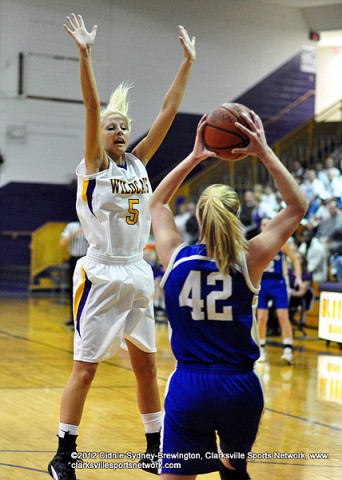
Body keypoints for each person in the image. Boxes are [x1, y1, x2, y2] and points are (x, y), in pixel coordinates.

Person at [48, 13, 196, 480]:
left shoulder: (137, 162)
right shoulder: (94, 164)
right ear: (99, 133)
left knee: (147, 367)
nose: (118, 131)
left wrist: (188, 63)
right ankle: (63, 455)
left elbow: (169, 114)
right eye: (111, 126)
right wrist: (85, 54)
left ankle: (154, 447)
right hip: (100, 274)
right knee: (86, 370)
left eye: (122, 127)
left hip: (137, 272)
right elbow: (92, 105)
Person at [149, 112, 307, 479]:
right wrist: (265, 152)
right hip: (238, 386)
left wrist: (195, 156)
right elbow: (297, 206)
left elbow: (157, 204)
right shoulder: (250, 257)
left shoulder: (175, 256)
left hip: (189, 385)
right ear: (236, 217)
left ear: (198, 218)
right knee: (234, 472)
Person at [256, 217, 303, 365]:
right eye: (263, 224)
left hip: (278, 282)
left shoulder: (281, 242)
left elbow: (295, 259)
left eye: (268, 223)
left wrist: (298, 277)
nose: (265, 226)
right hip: (263, 282)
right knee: (261, 317)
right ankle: (261, 348)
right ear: (260, 227)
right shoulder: (257, 243)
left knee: (283, 315)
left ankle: (288, 348)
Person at [60, 220, 88, 325]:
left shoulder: (92, 224)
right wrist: (75, 233)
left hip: (88, 260)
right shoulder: (71, 226)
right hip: (74, 260)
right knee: (73, 288)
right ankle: (73, 317)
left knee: (87, 290)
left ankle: (85, 318)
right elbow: (62, 242)